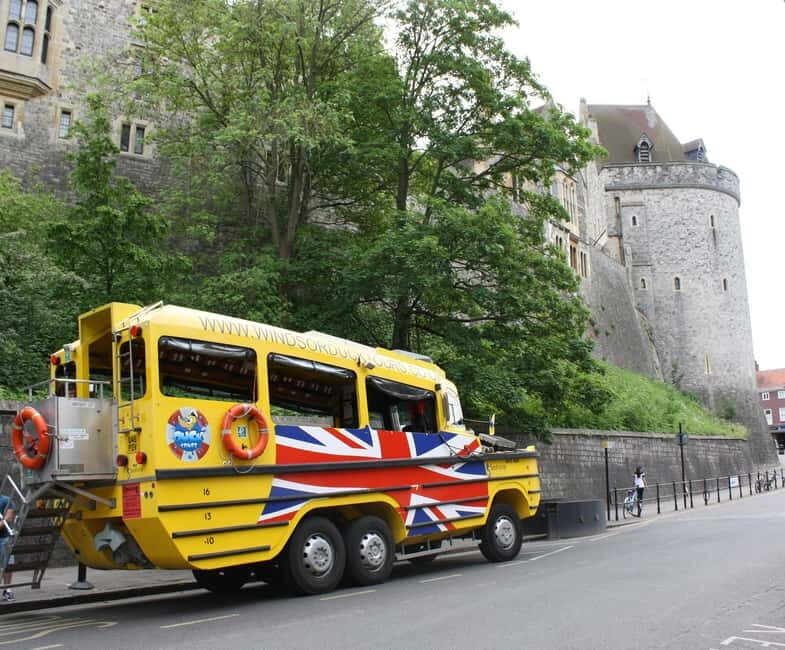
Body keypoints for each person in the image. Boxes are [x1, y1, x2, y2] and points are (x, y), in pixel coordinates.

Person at [0, 495, 15, 601]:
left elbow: (8, 519)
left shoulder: (6, 500)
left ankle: (7, 590)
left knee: (7, 565)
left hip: (4, 538)